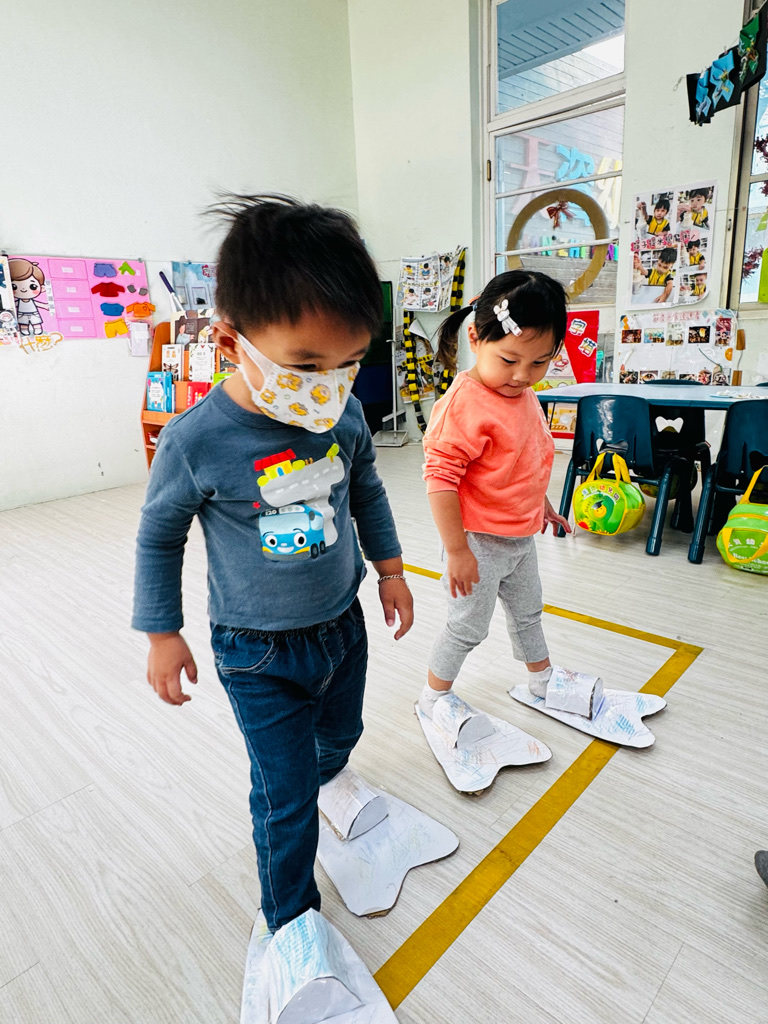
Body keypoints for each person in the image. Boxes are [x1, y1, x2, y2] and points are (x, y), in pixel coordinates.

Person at [132, 194, 413, 936]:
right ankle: (289, 917)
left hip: (342, 624)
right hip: (257, 651)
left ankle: (332, 777)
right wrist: (162, 632)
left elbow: (365, 488)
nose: (328, 386)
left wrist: (390, 570)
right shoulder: (197, 440)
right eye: (306, 365)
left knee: (341, 735)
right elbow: (159, 536)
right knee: (283, 796)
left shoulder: (343, 413)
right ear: (233, 343)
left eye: (349, 363)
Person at [417, 270, 572, 718]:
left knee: (529, 614)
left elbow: (522, 461)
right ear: (475, 338)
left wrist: (541, 505)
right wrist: (457, 550)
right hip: (477, 542)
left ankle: (541, 680)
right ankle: (433, 696)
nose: (522, 376)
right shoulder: (463, 405)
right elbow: (440, 480)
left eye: (539, 363)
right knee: (467, 627)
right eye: (508, 360)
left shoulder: (523, 395)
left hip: (520, 538)